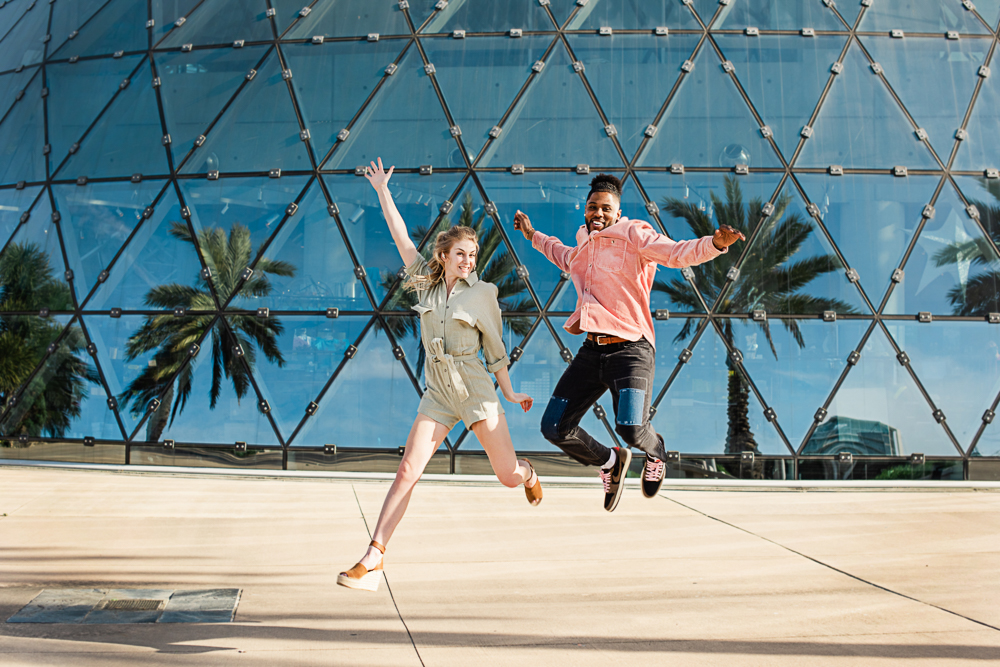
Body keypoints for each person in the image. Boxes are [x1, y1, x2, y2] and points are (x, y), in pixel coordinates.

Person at [338, 158, 541, 592]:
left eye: (472, 255)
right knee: (407, 470)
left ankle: (529, 472)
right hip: (438, 394)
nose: (468, 260)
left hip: (477, 393)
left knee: (506, 476)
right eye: (461, 254)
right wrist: (382, 192)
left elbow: (496, 351)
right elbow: (401, 240)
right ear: (444, 257)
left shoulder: (485, 293)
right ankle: (373, 557)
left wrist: (509, 394)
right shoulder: (426, 286)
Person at [513, 174, 744, 512]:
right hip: (593, 352)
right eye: (593, 207)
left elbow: (676, 253)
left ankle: (657, 452)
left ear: (617, 213)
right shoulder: (582, 244)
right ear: (585, 211)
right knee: (553, 426)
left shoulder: (635, 234)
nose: (598, 213)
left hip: (631, 351)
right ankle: (610, 462)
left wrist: (715, 244)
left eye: (606, 208)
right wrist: (532, 235)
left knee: (632, 428)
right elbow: (561, 254)